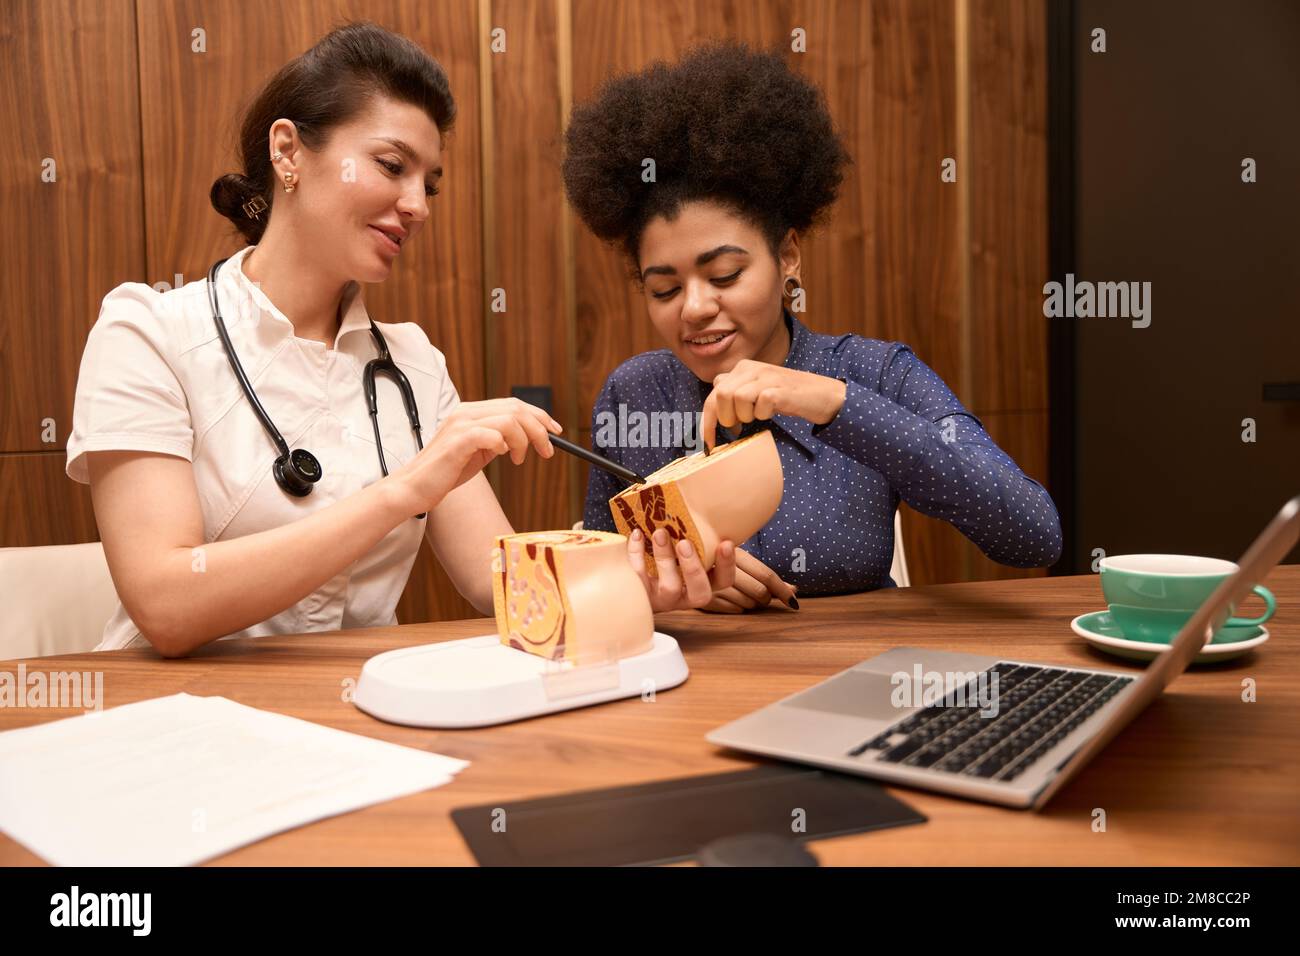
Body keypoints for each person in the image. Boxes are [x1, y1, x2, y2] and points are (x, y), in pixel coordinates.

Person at [66, 22, 732, 657]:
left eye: (430, 183)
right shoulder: (146, 334)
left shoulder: (410, 363)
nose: (419, 204)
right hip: (175, 725)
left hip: (358, 713)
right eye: (392, 165)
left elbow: (500, 584)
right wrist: (403, 490)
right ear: (288, 152)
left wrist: (646, 580)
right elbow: (166, 607)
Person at [563, 41, 1063, 613]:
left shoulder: (874, 374)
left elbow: (1032, 534)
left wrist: (832, 404)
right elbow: (598, 582)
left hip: (863, 678)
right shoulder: (637, 395)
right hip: (690, 691)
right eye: (665, 289)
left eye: (724, 274)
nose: (694, 308)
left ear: (788, 256)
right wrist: (657, 590)